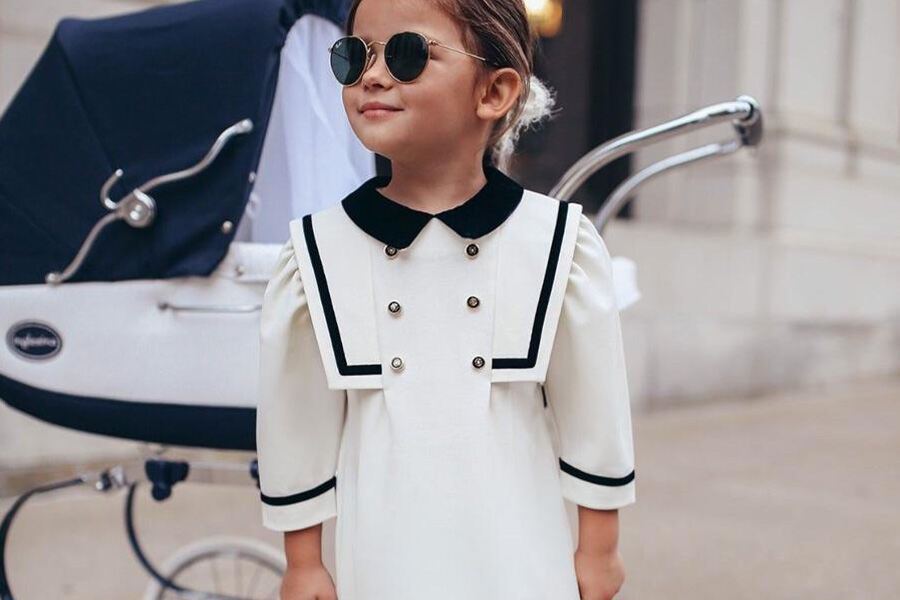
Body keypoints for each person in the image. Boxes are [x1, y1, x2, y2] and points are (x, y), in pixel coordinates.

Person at [255, 0, 636, 598]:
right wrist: (303, 561)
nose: (372, 76)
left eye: (407, 54)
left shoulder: (555, 244)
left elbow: (594, 407)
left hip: (521, 563)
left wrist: (599, 547)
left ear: (494, 92)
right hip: (383, 565)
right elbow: (297, 421)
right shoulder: (319, 253)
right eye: (354, 56)